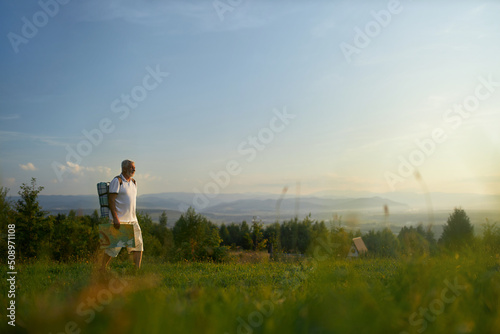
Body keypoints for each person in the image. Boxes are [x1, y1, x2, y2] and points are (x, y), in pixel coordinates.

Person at [101, 159, 143, 270]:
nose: (134, 169)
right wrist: (115, 218)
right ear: (124, 168)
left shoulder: (134, 182)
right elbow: (111, 200)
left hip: (133, 220)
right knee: (113, 248)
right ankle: (102, 268)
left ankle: (136, 270)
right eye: (131, 167)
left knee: (138, 246)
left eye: (134, 167)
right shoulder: (117, 181)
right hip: (119, 220)